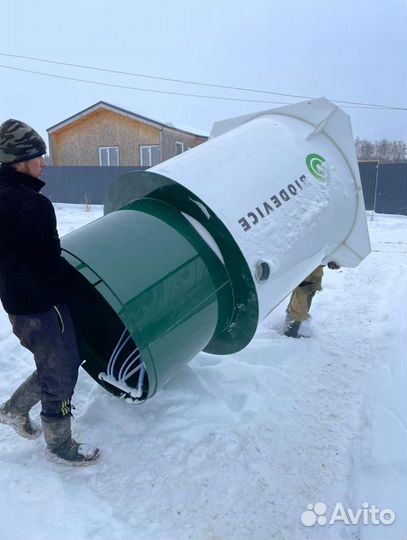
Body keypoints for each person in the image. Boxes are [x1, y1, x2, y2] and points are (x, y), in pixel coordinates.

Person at [0, 119, 99, 465]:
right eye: (39, 156)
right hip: (43, 307)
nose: (44, 162)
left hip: (18, 305)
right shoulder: (31, 205)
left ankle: (14, 410)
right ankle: (60, 443)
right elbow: (47, 264)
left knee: (52, 365)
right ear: (19, 161)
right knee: (63, 373)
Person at [284, 262, 340, 338]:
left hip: (314, 267)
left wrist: (334, 259)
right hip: (308, 266)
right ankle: (291, 331)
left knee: (304, 291)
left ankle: (292, 323)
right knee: (303, 293)